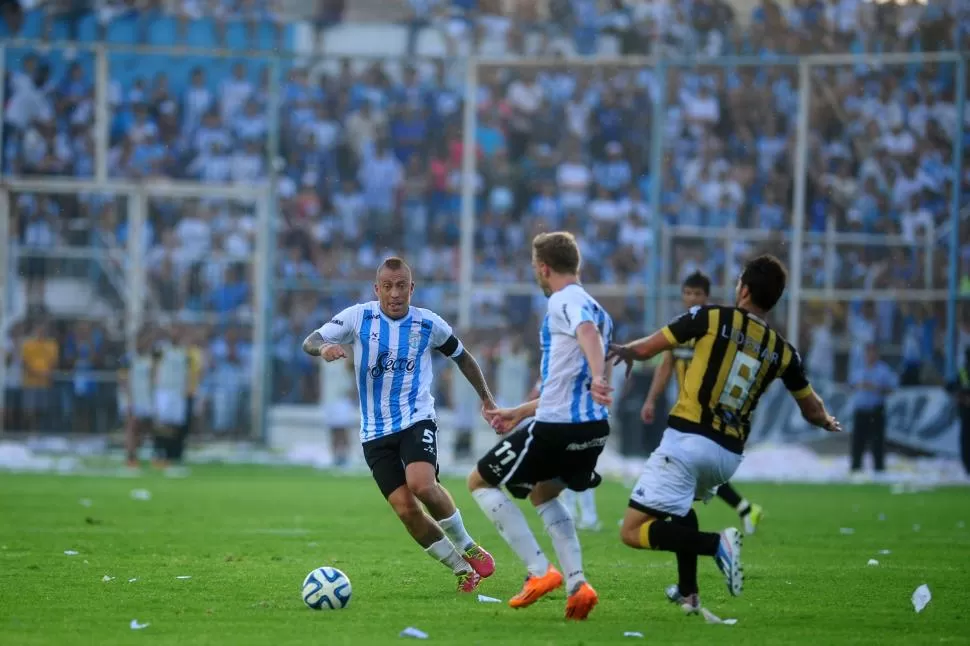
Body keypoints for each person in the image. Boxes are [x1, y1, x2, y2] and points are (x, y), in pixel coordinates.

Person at [609, 255, 841, 614]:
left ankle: (716, 544)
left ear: (744, 289)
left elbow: (646, 349)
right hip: (727, 457)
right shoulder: (784, 351)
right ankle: (689, 593)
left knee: (631, 531)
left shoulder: (710, 317)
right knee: (680, 507)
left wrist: (620, 351)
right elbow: (811, 410)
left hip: (687, 441)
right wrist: (826, 419)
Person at [302, 257, 496, 593]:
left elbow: (463, 357)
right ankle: (462, 569)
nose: (395, 293)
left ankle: (467, 544)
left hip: (415, 418)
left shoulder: (428, 324)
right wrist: (326, 347)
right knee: (406, 510)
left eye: (401, 285)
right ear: (376, 289)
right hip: (375, 432)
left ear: (412, 288)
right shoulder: (357, 317)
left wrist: (487, 399)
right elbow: (310, 341)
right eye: (388, 286)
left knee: (421, 484)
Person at [469, 231, 614, 621]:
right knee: (544, 495)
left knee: (479, 482)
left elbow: (586, 334)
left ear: (544, 268)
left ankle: (538, 572)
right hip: (593, 430)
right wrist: (521, 411)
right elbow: (573, 377)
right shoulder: (600, 308)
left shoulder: (564, 300)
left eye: (535, 267)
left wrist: (600, 378)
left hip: (557, 429)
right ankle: (578, 584)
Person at [641, 271, 765, 536]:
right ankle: (743, 509)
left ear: (706, 296)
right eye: (688, 293)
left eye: (697, 294)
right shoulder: (680, 327)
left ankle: (677, 522)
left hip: (710, 414)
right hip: (684, 412)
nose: (692, 298)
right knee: (694, 469)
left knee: (690, 469)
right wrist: (651, 400)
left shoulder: (714, 328)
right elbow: (665, 366)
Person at [849, 343, 899, 476]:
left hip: (876, 410)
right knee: (858, 442)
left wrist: (876, 387)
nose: (870, 356)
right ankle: (856, 468)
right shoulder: (858, 369)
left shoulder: (883, 370)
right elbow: (850, 385)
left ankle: (879, 469)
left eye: (873, 352)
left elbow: (891, 389)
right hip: (861, 410)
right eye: (868, 353)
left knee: (877, 442)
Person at [152, 326, 189, 470]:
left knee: (175, 424)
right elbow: (153, 361)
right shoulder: (162, 348)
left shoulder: (183, 351)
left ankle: (171, 455)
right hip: (164, 389)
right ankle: (159, 452)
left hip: (178, 391)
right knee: (162, 423)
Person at [120, 328, 156, 469]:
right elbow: (123, 379)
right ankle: (130, 456)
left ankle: (141, 455)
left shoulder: (151, 359)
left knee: (145, 429)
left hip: (146, 398)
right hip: (132, 397)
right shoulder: (129, 358)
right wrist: (129, 399)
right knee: (131, 427)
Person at [947, 347, 970, 477]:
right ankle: (967, 467)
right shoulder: (962, 372)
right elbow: (951, 387)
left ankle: (967, 467)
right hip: (965, 412)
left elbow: (950, 386)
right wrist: (962, 396)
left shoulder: (962, 371)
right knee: (966, 440)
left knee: (965, 440)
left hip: (965, 412)